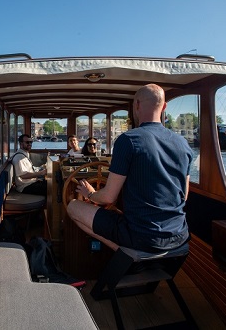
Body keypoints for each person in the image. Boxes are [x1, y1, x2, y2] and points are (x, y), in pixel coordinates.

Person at [67, 84, 193, 252]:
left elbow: (108, 198)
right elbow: (184, 196)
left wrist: (90, 193)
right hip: (180, 235)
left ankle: (126, 254)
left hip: (141, 236)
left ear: (137, 105)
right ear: (164, 107)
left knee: (73, 207)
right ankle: (131, 254)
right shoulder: (183, 144)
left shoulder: (128, 140)